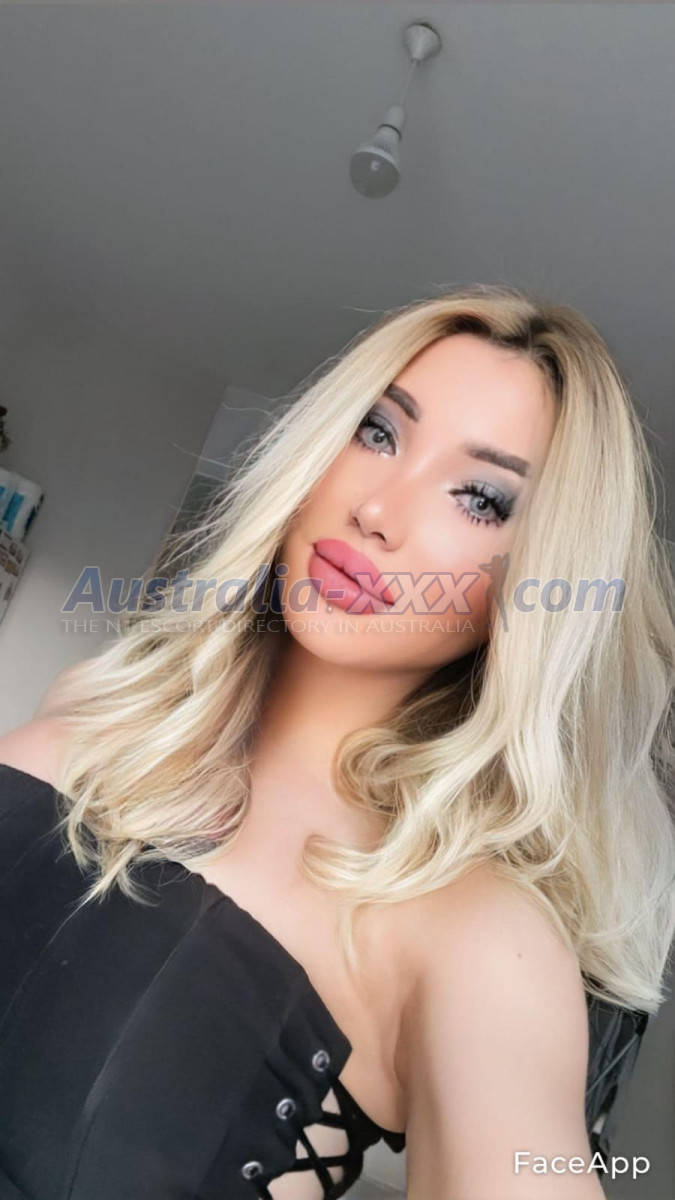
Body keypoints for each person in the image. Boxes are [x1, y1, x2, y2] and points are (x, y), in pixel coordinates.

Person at [0, 283, 673, 1200]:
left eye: (479, 498)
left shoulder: (477, 935)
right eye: (377, 432)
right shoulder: (97, 710)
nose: (379, 509)